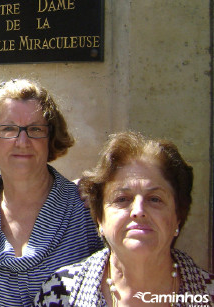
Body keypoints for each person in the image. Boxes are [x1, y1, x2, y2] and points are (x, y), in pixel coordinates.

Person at [0, 79, 103, 307]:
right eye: (8, 129)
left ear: (50, 137)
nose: (22, 141)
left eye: (35, 129)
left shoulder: (86, 211)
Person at [34, 131, 214, 306]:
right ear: (99, 219)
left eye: (154, 199)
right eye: (122, 199)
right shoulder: (59, 294)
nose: (138, 211)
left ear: (178, 217)